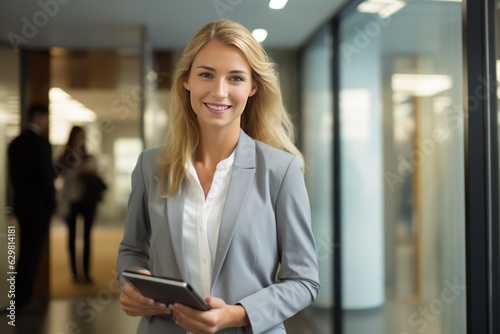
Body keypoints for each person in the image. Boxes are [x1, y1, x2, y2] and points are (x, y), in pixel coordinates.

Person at [117, 19, 320, 334]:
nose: (219, 91)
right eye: (206, 74)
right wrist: (130, 286)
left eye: (235, 78)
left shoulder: (281, 171)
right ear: (186, 80)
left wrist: (239, 314)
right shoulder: (150, 166)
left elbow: (304, 281)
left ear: (252, 87)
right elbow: (131, 249)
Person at [7, 103, 56, 312]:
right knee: (32, 254)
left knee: (23, 252)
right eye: (45, 118)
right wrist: (52, 204)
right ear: (38, 117)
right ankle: (24, 299)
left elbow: (14, 179)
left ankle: (18, 298)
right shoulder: (41, 144)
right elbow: (46, 179)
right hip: (38, 209)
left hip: (22, 206)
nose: (46, 123)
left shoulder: (14, 143)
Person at [57, 126, 106, 284]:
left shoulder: (89, 155)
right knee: (71, 237)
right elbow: (60, 175)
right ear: (73, 137)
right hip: (72, 201)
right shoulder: (64, 156)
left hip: (88, 200)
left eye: (83, 136)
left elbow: (97, 172)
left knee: (87, 236)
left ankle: (86, 272)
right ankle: (74, 273)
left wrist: (90, 171)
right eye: (79, 136)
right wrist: (78, 171)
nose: (82, 139)